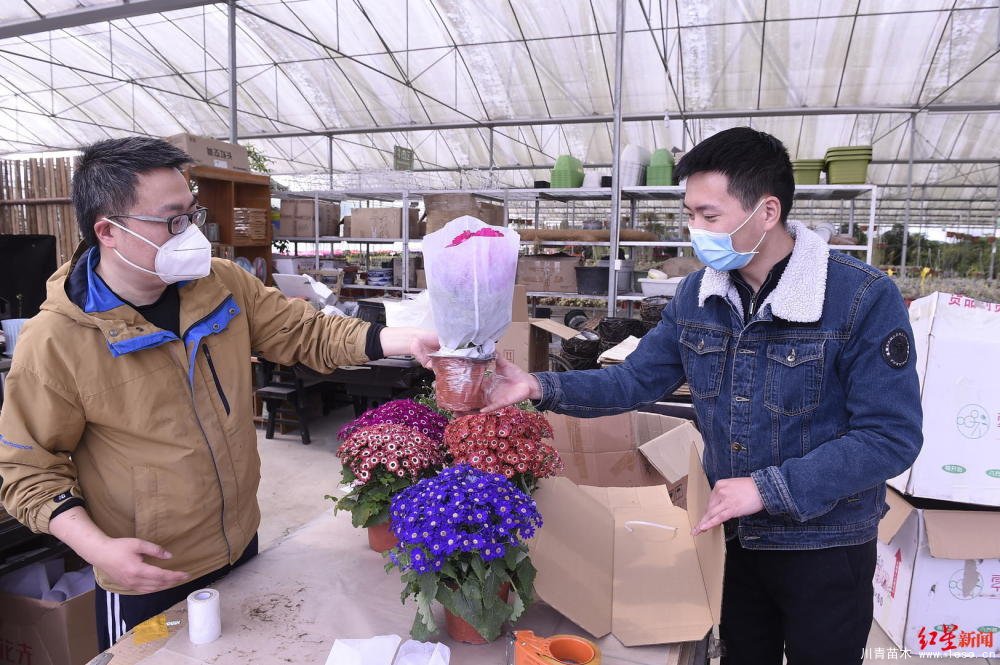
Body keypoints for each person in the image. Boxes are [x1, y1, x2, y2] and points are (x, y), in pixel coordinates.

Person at [485, 127, 922, 665]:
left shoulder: (860, 297)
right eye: (690, 214)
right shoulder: (699, 294)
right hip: (729, 537)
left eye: (709, 216)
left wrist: (768, 488)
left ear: (767, 211)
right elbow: (634, 380)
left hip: (824, 543)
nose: (695, 230)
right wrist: (538, 386)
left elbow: (890, 437)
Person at [0, 137, 438, 650]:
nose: (190, 234)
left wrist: (402, 340)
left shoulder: (221, 284)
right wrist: (97, 548)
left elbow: (303, 332)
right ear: (108, 231)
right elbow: (28, 469)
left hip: (238, 540)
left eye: (192, 215)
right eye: (172, 221)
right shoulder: (57, 340)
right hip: (147, 569)